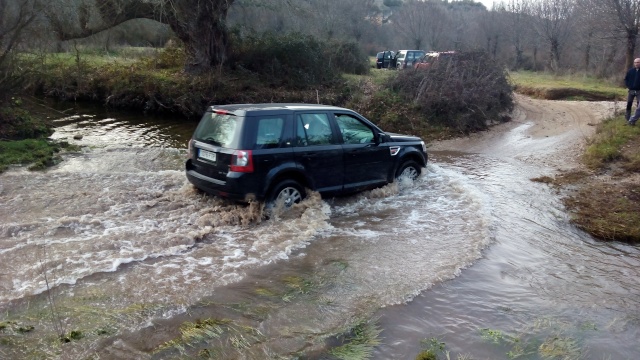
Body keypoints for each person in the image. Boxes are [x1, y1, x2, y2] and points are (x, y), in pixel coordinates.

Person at [625, 58, 640, 125]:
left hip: (639, 91)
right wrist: (628, 86)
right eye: (635, 62)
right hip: (631, 90)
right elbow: (626, 79)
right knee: (629, 104)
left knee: (639, 105)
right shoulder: (630, 71)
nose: (636, 64)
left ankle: (634, 119)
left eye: (638, 62)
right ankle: (627, 118)